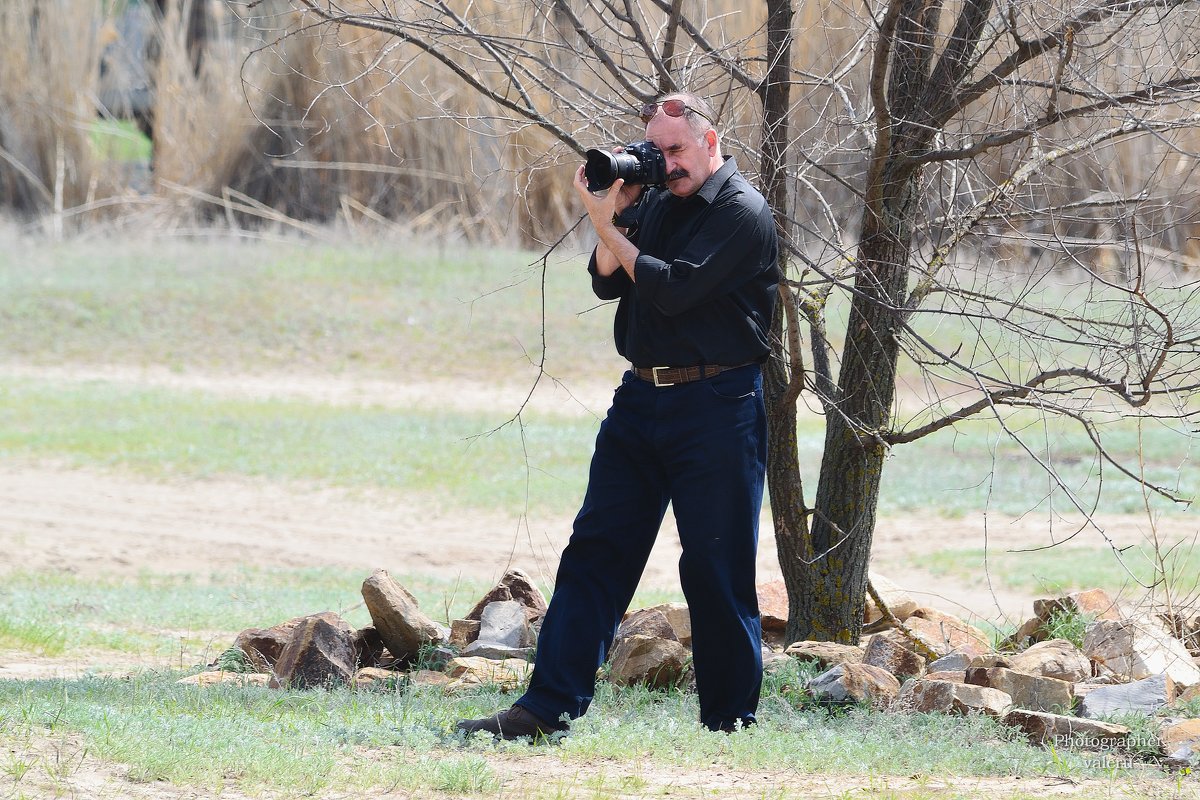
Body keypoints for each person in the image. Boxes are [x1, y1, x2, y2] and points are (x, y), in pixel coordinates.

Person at [457, 92, 779, 739]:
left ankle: (729, 722)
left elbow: (673, 286)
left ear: (710, 141)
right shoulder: (657, 200)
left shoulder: (742, 212)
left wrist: (605, 226)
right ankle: (545, 708)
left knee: (715, 568)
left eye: (677, 150)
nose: (666, 164)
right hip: (641, 399)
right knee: (595, 553)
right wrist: (613, 214)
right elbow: (609, 280)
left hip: (719, 405)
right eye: (656, 152)